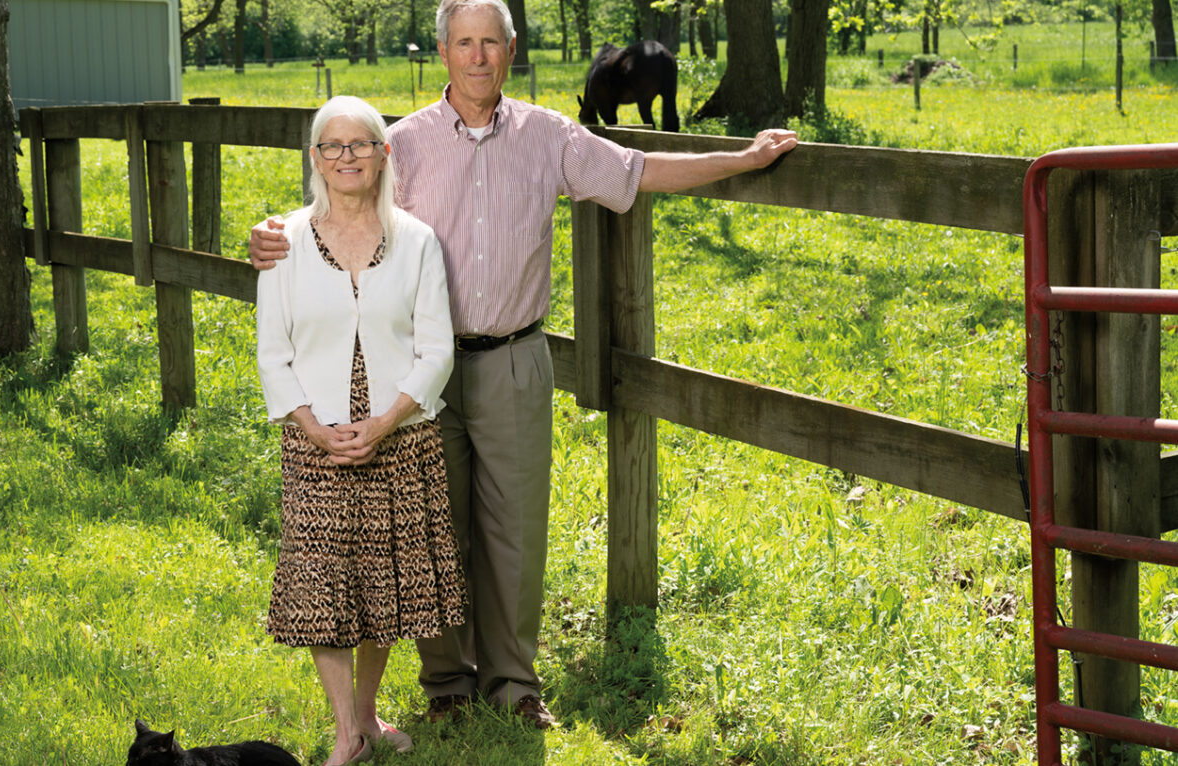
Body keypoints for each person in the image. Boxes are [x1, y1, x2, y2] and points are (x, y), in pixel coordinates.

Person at [252, 0, 800, 731]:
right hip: (418, 375)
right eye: (464, 43)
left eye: (492, 43)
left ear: (511, 51)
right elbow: (337, 204)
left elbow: (637, 171)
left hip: (515, 356)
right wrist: (273, 236)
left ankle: (513, 682)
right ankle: (446, 678)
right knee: (432, 526)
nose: (478, 57)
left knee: (514, 528)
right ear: (444, 52)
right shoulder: (402, 144)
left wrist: (742, 156)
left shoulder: (548, 136)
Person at [255, 95, 465, 766]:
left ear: (384, 154)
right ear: (315, 159)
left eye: (361, 144)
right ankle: (345, 729)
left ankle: (370, 715)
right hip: (315, 440)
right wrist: (314, 429)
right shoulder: (282, 242)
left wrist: (384, 422)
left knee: (385, 587)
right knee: (323, 588)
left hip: (398, 436)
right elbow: (271, 351)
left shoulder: (418, 241)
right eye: (333, 146)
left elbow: (437, 349)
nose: (347, 157)